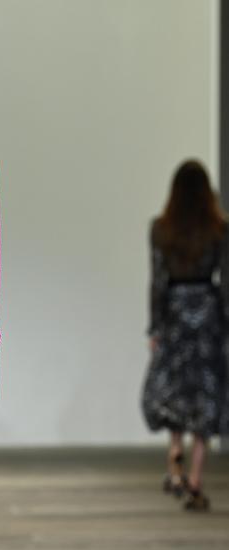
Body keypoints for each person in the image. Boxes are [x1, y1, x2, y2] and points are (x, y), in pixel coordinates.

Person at [141, 159, 229, 510]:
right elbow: (226, 284)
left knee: (174, 388)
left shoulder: (161, 229)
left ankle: (174, 455)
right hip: (207, 311)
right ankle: (194, 479)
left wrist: (156, 326)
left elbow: (158, 282)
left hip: (174, 311)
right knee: (205, 392)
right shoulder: (219, 229)